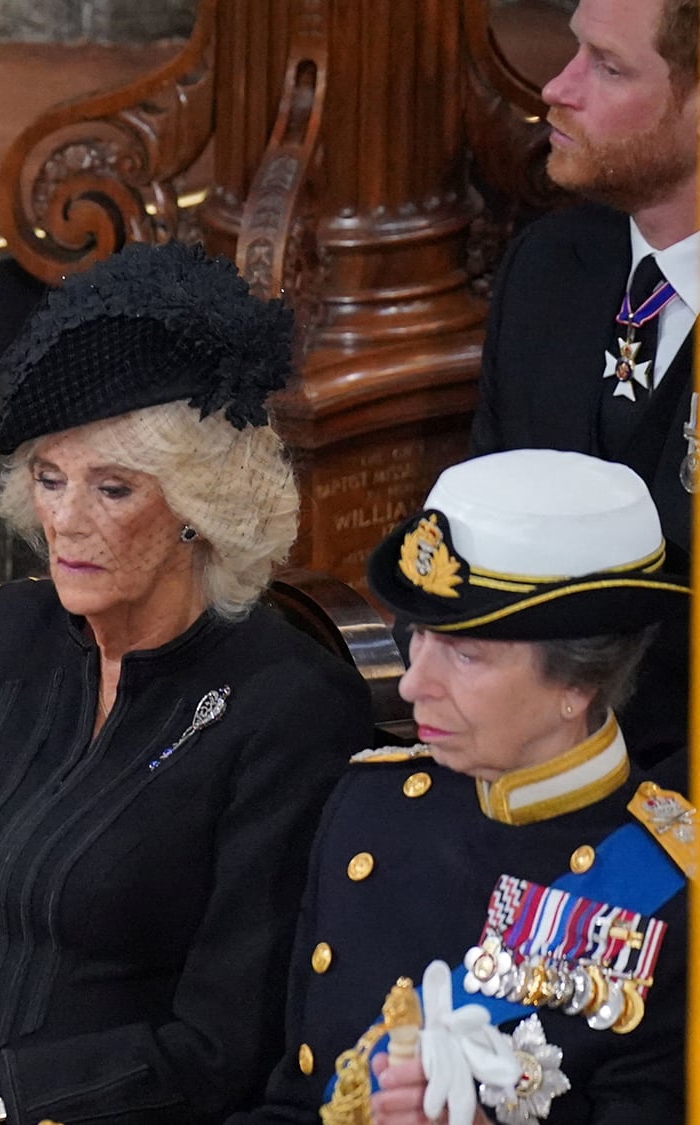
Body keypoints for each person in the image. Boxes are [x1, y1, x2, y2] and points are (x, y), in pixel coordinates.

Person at [0, 242, 375, 1125]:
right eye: (49, 479)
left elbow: (219, 1047)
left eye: (112, 489)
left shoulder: (288, 707)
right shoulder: (10, 636)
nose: (65, 521)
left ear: (198, 509)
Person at [233, 448, 691, 1125]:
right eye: (418, 635)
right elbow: (294, 1104)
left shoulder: (672, 894)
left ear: (577, 684)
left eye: (465, 653)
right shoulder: (369, 804)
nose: (413, 682)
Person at [469, 0, 696, 759]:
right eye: (575, 52)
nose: (556, 88)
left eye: (608, 67)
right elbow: (475, 535)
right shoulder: (549, 267)